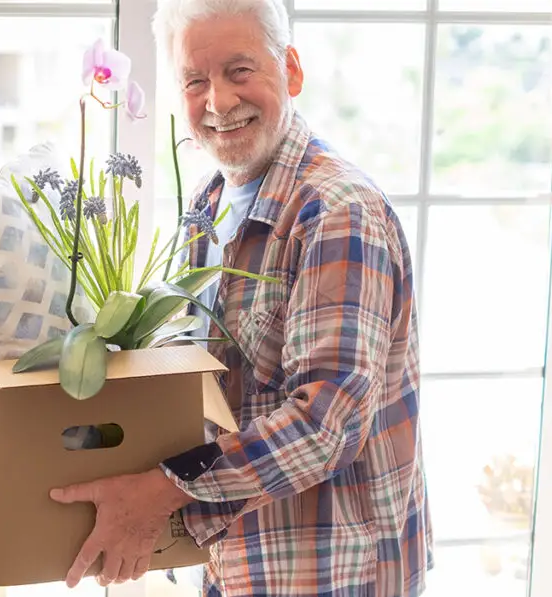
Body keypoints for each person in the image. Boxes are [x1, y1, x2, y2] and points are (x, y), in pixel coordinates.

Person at [48, 0, 434, 595]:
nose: (219, 102)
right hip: (233, 561)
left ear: (292, 71)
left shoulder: (336, 212)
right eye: (195, 80)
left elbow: (325, 424)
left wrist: (158, 492)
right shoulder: (205, 204)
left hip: (331, 573)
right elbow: (207, 385)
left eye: (240, 71)